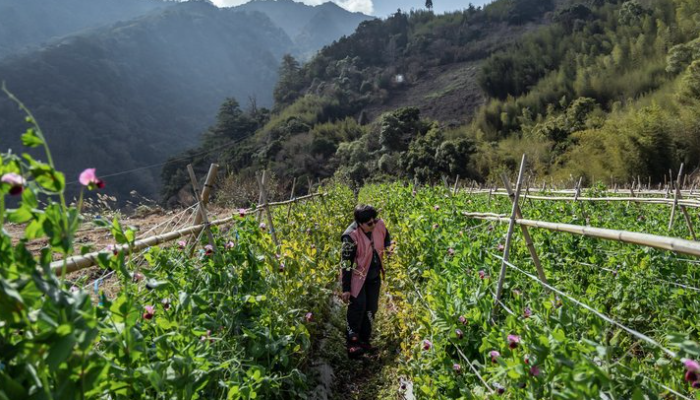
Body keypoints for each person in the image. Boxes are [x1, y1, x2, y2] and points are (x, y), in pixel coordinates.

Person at [340, 204, 392, 358]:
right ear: (360, 224)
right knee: (358, 306)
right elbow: (345, 263)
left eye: (374, 221)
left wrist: (389, 248)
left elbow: (387, 237)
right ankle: (352, 343)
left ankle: (364, 340)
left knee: (371, 308)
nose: (373, 225)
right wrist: (346, 288)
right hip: (357, 277)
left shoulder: (378, 225)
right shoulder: (350, 238)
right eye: (369, 224)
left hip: (374, 274)